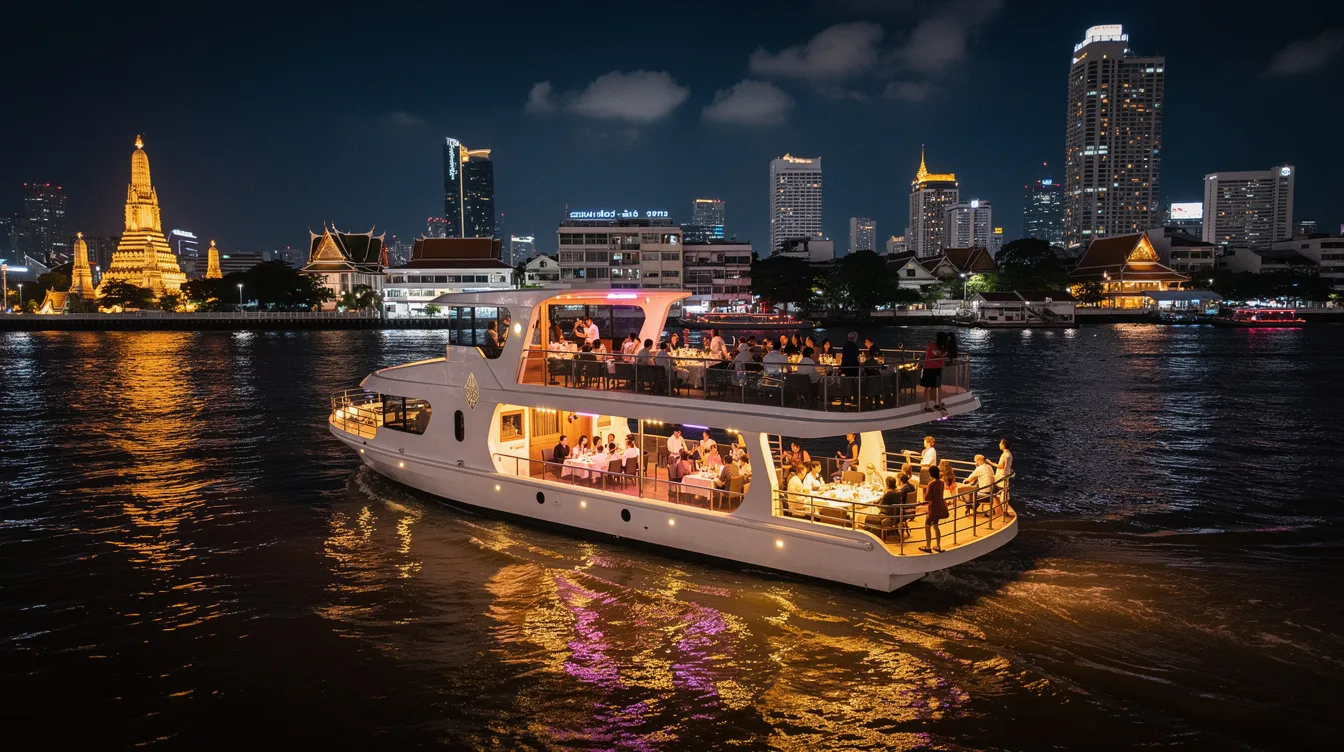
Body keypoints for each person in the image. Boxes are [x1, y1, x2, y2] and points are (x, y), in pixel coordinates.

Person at [920, 465, 948, 553]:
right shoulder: (942, 482)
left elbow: (928, 497)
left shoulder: (931, 483)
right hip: (939, 505)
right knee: (936, 526)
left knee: (927, 525)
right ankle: (938, 545)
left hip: (932, 507)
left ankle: (928, 546)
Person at [921, 333, 947, 412]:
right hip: (930, 368)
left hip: (936, 368)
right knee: (928, 387)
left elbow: (939, 355)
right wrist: (946, 354)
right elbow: (938, 355)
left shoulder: (938, 347)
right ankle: (927, 406)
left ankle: (937, 403)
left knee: (937, 386)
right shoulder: (932, 346)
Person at [995, 438, 1014, 518]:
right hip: (1005, 476)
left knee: (1000, 493)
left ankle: (1001, 511)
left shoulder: (1004, 455)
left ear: (1003, 445)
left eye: (1000, 443)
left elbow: (1000, 466)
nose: (999, 444)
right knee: (1004, 493)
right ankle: (1004, 511)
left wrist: (991, 463)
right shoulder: (1009, 454)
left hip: (1001, 476)